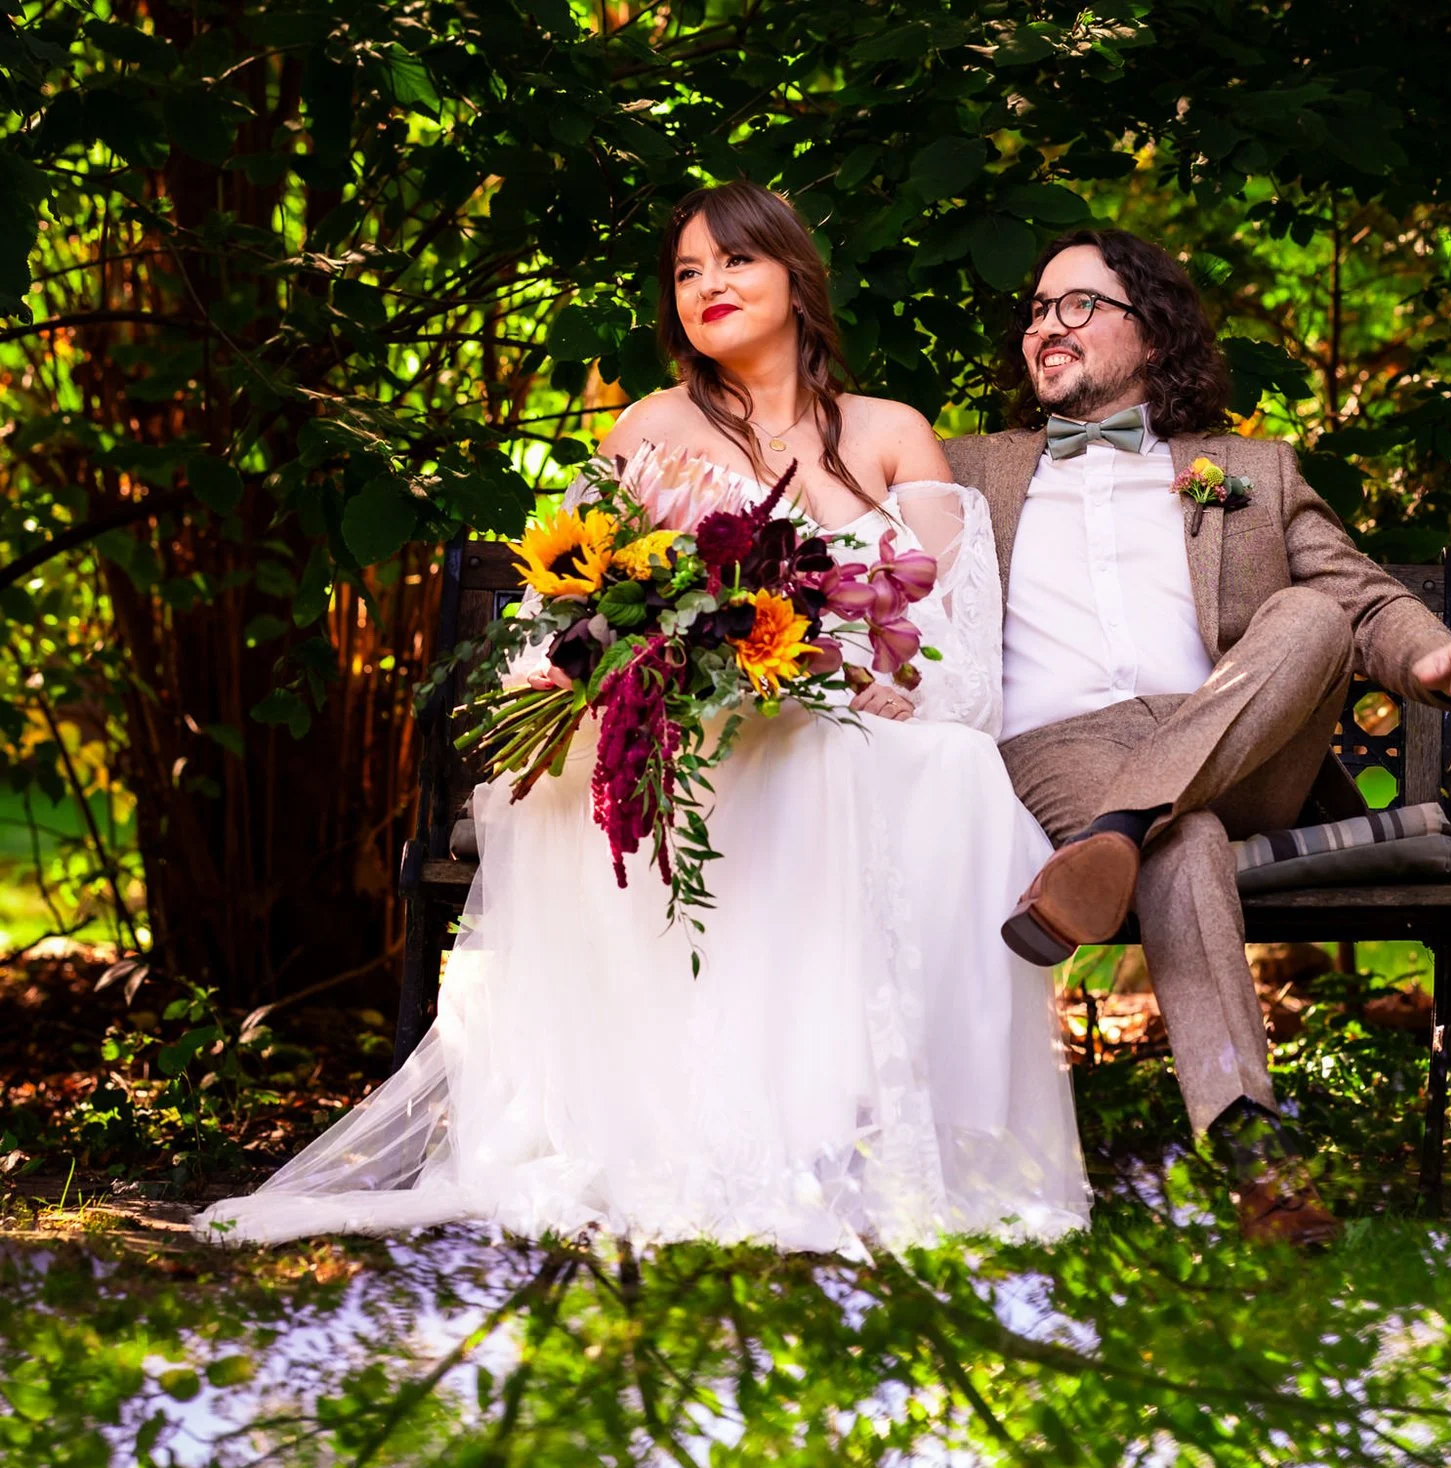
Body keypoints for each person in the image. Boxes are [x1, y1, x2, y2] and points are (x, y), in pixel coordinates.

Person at [196, 183, 1086, 1254]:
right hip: (687, 730)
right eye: (687, 272)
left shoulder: (891, 432)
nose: (709, 285)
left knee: (947, 770)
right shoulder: (651, 428)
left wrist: (874, 678)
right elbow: (583, 607)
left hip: (843, 721)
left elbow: (943, 620)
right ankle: (746, 1122)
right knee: (790, 764)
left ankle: (861, 1116)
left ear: (796, 278)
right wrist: (664, 660)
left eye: (735, 262)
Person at [944, 230, 1451, 1249]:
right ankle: (1260, 1160)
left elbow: (1361, 599)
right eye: (1035, 310)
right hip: (1062, 751)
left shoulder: (1247, 467)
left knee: (1307, 618)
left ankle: (1119, 833)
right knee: (1184, 840)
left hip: (1239, 741)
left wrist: (1433, 656)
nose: (1045, 326)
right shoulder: (970, 469)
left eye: (1076, 305)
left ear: (1151, 334)